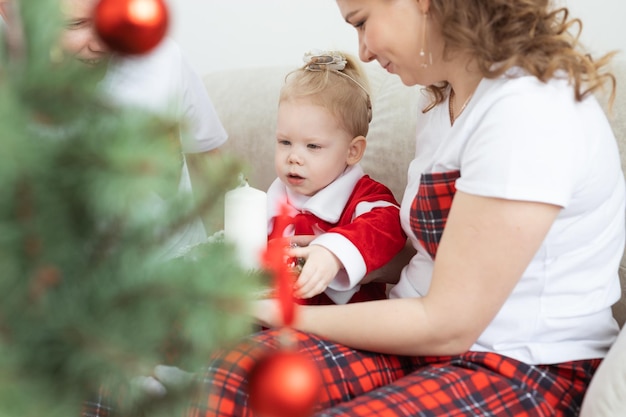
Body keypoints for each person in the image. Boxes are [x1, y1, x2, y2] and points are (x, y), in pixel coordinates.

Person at [191, 0, 625, 416]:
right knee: (232, 380)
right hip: (419, 345)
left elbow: (448, 323)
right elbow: (442, 254)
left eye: (361, 22)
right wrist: (332, 249)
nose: (361, 49)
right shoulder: (439, 101)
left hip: (519, 364)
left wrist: (273, 310)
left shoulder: (527, 111)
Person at [0, 0, 228, 259]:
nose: (101, 42)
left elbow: (210, 165)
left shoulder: (163, 59)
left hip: (180, 265)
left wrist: (221, 253)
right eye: (76, 24)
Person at [266, 50, 406, 306]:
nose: (294, 157)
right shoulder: (270, 202)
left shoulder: (367, 198)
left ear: (352, 151)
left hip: (346, 331)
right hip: (276, 326)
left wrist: (333, 253)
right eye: (285, 142)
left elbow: (387, 228)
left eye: (313, 147)